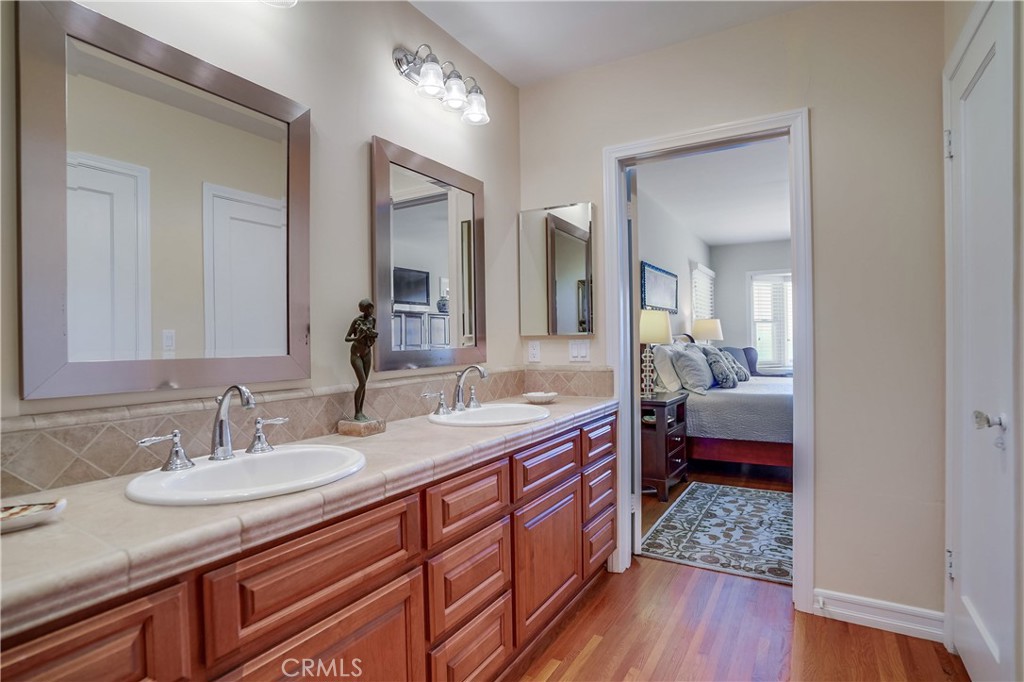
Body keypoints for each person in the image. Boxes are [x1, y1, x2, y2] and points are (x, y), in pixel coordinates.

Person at [344, 299, 378, 422]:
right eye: (369, 308)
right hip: (356, 354)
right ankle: (357, 412)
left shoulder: (373, 320)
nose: (371, 310)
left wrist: (371, 334)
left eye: (372, 308)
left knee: (365, 384)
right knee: (362, 382)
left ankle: (361, 412)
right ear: (364, 309)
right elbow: (346, 338)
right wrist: (357, 337)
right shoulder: (357, 321)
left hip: (367, 352)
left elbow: (372, 335)